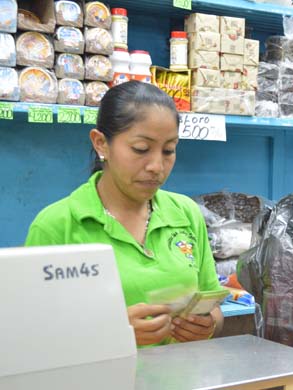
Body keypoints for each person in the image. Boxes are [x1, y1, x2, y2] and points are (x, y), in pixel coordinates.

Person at [25, 81, 224, 347]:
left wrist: (207, 325)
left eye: (169, 150)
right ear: (101, 144)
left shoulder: (186, 213)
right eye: (141, 149)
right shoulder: (57, 225)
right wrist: (111, 333)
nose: (157, 166)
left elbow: (212, 306)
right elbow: (30, 334)